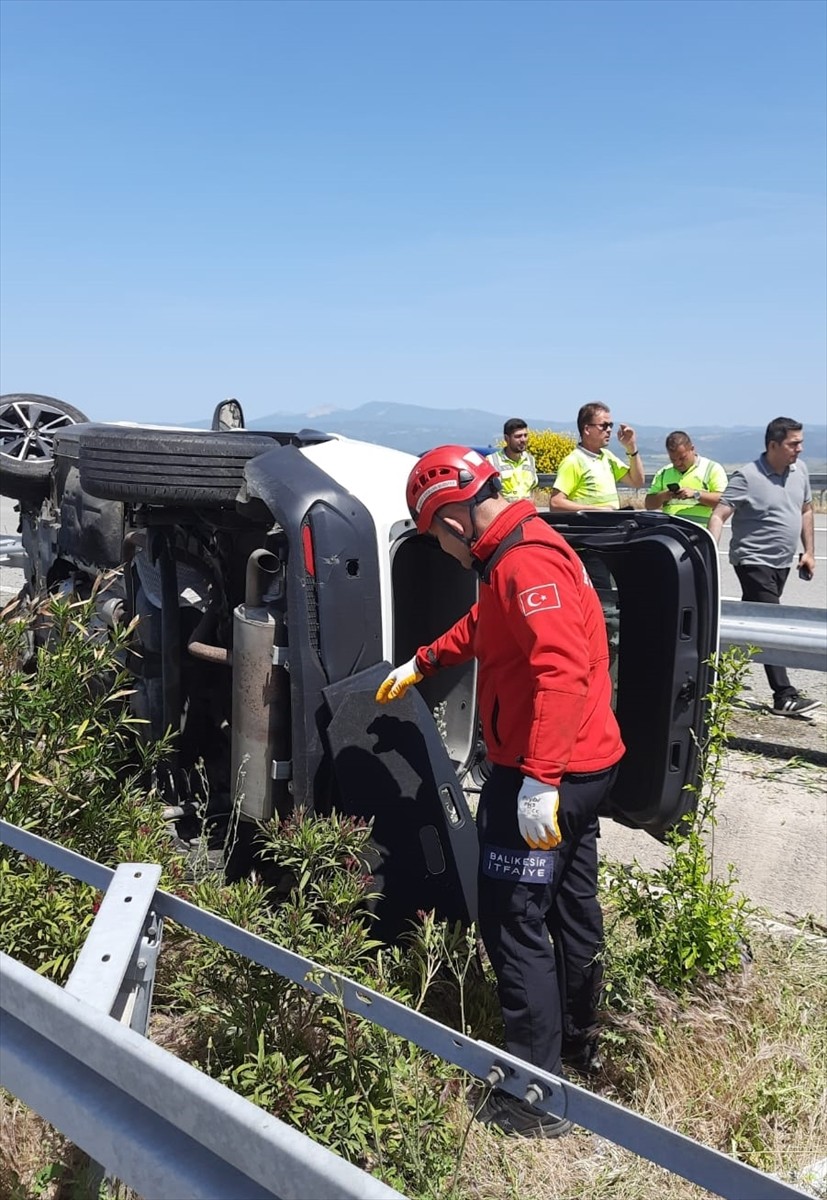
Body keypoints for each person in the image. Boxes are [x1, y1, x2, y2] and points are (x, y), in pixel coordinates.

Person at [376, 446, 625, 1138]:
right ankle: (579, 1044)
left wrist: (538, 780)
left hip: (550, 770)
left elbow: (560, 671)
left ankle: (532, 1098)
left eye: (434, 537)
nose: (442, 551)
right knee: (571, 908)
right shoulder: (515, 547)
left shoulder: (522, 561)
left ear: (453, 520)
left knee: (514, 922)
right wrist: (424, 661)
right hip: (584, 765)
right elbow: (492, 628)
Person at [708, 417, 820, 718]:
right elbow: (719, 515)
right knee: (772, 622)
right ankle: (784, 695)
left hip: (782, 563)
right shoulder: (747, 476)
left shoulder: (801, 471)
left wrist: (809, 551)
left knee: (751, 625)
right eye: (793, 443)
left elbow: (806, 509)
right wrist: (709, 551)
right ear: (773, 445)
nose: (800, 448)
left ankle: (711, 676)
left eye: (800, 442)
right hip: (752, 561)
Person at [549, 403, 644, 511]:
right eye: (603, 426)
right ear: (587, 429)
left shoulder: (607, 456)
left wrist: (631, 447)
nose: (608, 430)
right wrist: (596, 510)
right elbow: (555, 503)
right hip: (590, 526)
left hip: (611, 525)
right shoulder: (573, 461)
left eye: (610, 425)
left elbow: (637, 482)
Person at [645, 431, 727, 525]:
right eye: (673, 459)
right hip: (671, 532)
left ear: (692, 449)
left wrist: (696, 494)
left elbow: (724, 502)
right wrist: (665, 495)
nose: (678, 463)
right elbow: (649, 505)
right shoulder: (663, 473)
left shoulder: (712, 469)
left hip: (701, 532)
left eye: (682, 458)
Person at [486, 418, 538, 502]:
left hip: (526, 512)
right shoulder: (491, 461)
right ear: (506, 438)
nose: (523, 440)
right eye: (518, 436)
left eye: (525, 435)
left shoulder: (530, 460)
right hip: (504, 513)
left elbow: (532, 488)